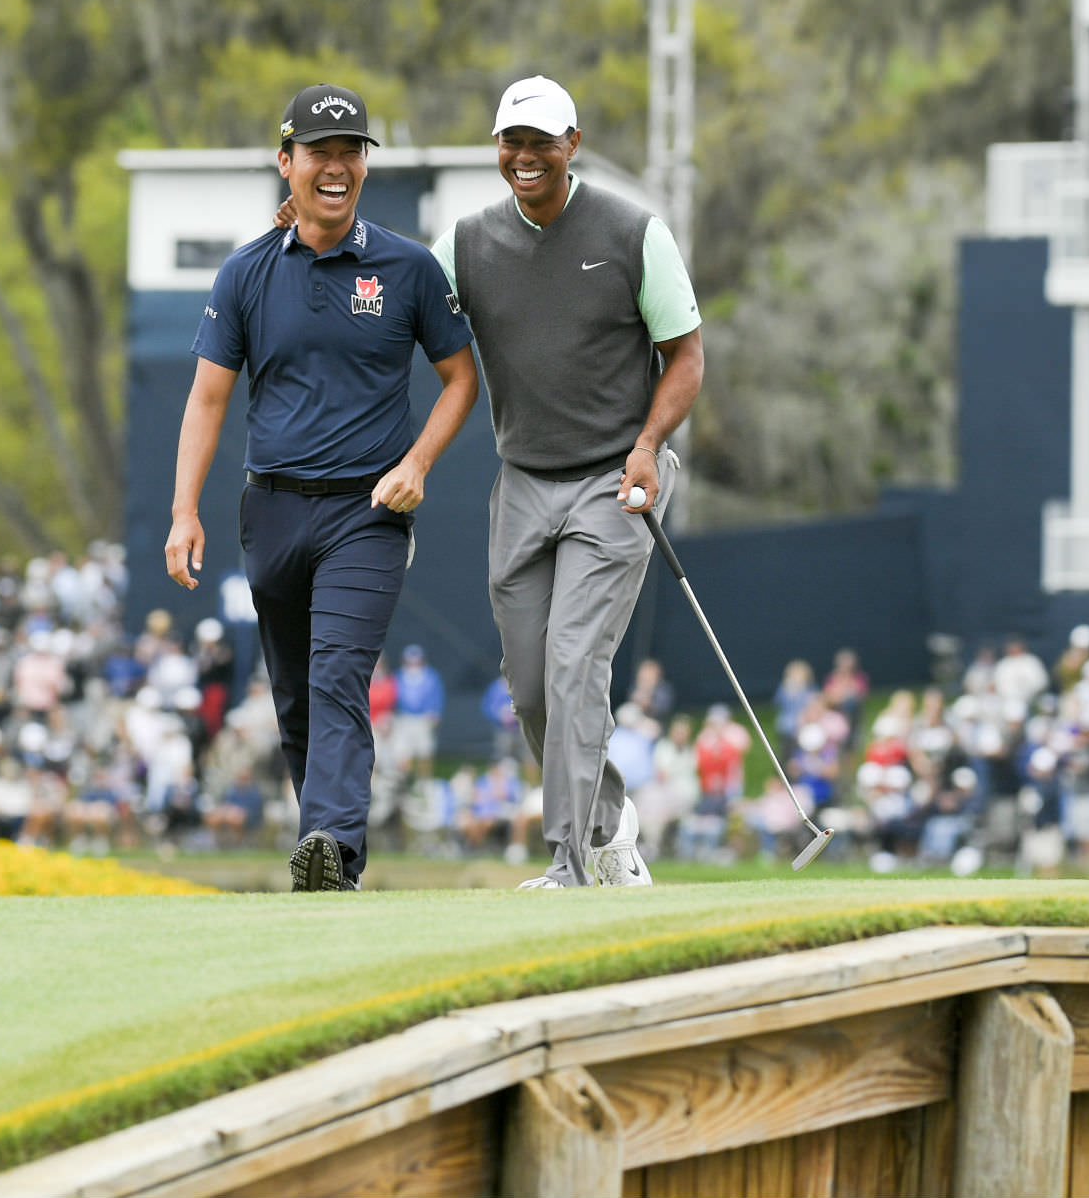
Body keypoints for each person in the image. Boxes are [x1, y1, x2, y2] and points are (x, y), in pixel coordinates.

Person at [165, 83, 479, 892]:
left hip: (367, 511)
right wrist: (181, 511)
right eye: (319, 152)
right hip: (268, 508)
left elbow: (460, 379)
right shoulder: (245, 273)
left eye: (351, 152)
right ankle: (330, 859)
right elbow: (207, 397)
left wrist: (416, 465)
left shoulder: (406, 268)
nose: (337, 167)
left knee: (340, 672)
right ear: (287, 161)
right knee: (297, 691)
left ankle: (330, 842)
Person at [435, 76, 704, 888]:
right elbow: (397, 302)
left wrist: (650, 445)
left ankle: (571, 862)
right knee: (529, 685)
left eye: (541, 142)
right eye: (511, 142)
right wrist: (305, 234)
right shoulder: (469, 242)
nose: (525, 157)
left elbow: (685, 356)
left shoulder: (632, 232)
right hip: (521, 480)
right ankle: (609, 821)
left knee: (574, 661)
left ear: (572, 146)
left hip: (613, 480)